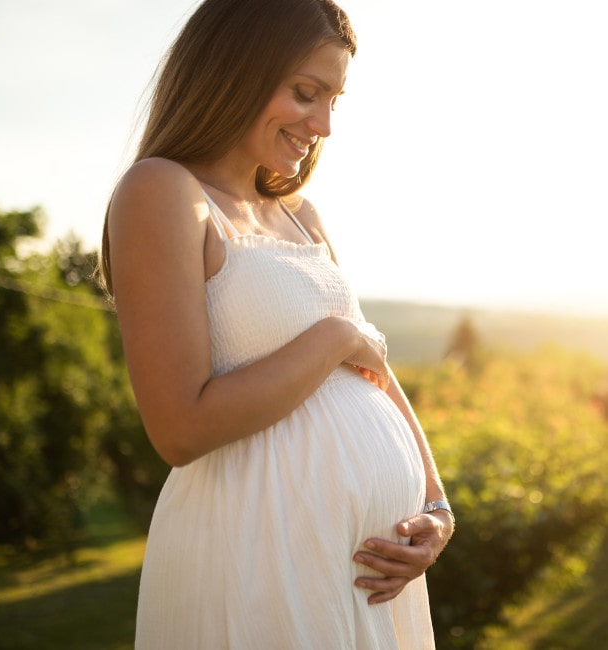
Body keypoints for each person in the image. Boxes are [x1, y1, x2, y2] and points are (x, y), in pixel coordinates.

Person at [100, 0, 454, 647]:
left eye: (334, 101)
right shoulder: (164, 190)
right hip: (259, 554)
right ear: (233, 70)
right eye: (305, 92)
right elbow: (179, 427)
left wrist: (436, 506)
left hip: (367, 576)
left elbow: (372, 365)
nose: (323, 124)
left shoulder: (300, 214)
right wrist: (332, 338)